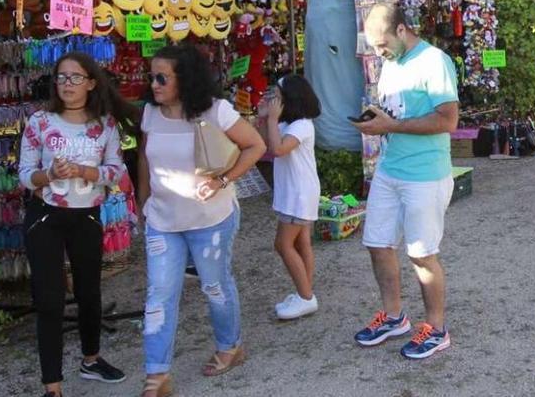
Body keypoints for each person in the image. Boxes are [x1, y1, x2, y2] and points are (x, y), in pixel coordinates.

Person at [137, 45, 266, 397]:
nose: (155, 84)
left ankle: (231, 346)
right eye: (152, 76)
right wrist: (142, 201)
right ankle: (157, 376)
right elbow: (146, 160)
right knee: (159, 295)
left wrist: (224, 180)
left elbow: (256, 146)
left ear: (185, 78)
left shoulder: (216, 110)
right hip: (163, 219)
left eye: (162, 77)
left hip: (212, 218)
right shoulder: (150, 113)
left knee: (214, 285)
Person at [19, 52, 137, 397]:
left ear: (91, 83)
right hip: (45, 215)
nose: (67, 84)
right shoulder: (39, 122)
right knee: (50, 299)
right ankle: (52, 385)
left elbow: (117, 171)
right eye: (61, 77)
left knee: (89, 291)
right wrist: (50, 174)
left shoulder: (105, 125)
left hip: (86, 215)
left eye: (74, 77)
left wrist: (86, 172)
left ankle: (91, 358)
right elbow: (25, 176)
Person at [351, 4, 459, 360]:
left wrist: (390, 126)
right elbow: (397, 113)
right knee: (377, 243)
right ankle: (395, 317)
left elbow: (447, 121)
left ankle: (436, 328)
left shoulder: (434, 62)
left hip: (425, 175)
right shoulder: (391, 64)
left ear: (401, 30)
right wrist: (376, 120)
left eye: (382, 44)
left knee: (421, 255)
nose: (379, 52)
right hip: (390, 168)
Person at [257, 74, 322, 320]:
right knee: (301, 242)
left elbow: (278, 149)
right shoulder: (288, 124)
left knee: (283, 245)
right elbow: (265, 144)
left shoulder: (302, 125)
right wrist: (265, 119)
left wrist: (272, 118)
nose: (274, 99)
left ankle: (306, 298)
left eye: (278, 95)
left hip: (299, 193)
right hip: (294, 191)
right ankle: (304, 291)